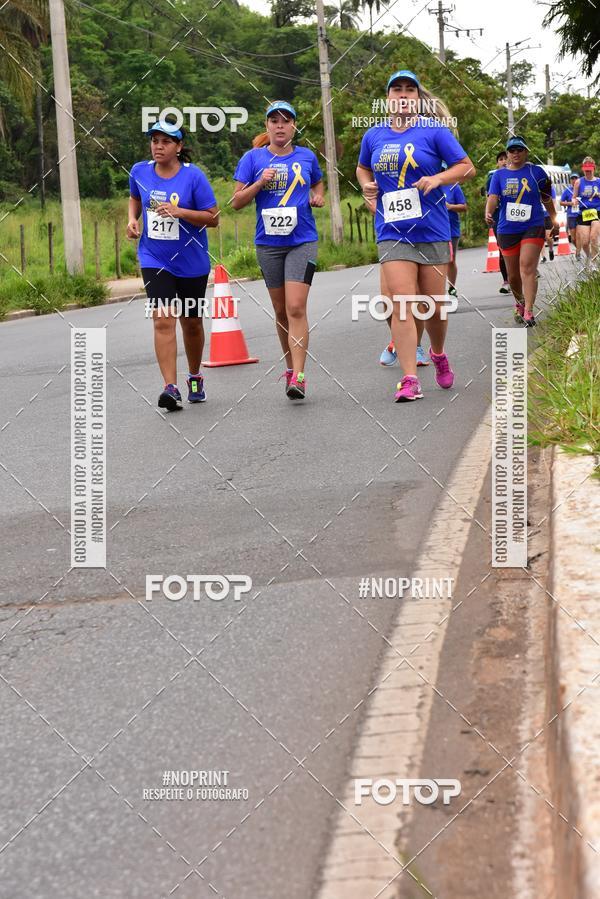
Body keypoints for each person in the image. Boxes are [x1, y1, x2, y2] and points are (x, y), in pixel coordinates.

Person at [357, 69, 475, 402]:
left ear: (418, 98)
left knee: (434, 307)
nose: (404, 95)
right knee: (403, 303)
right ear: (388, 98)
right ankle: (410, 377)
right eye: (397, 90)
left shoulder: (433, 131)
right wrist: (367, 184)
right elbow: (363, 167)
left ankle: (438, 353)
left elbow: (466, 167)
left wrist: (439, 179)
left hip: (433, 229)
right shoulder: (374, 135)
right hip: (392, 231)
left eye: (411, 89)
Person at [232, 101, 324, 400]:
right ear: (267, 126)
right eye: (274, 121)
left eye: (286, 121)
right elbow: (236, 202)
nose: (280, 126)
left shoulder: (306, 157)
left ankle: (299, 375)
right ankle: (289, 368)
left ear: (294, 126)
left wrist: (316, 197)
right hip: (268, 244)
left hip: (302, 240)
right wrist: (260, 182)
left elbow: (318, 183)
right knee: (281, 310)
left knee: (296, 306)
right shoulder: (253, 158)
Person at [127, 121, 219, 411]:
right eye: (154, 141)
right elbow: (134, 198)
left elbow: (213, 217)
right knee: (162, 319)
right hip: (155, 259)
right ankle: (170, 387)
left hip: (191, 262)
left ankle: (194, 376)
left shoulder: (194, 177)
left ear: (178, 147)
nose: (158, 146)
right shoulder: (139, 171)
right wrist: (133, 220)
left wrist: (180, 212)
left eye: (166, 142)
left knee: (191, 323)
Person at [485, 135, 558, 327]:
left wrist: (553, 218)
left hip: (533, 225)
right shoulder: (498, 175)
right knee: (513, 275)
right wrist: (488, 212)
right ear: (507, 154)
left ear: (526, 152)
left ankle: (529, 311)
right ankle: (519, 302)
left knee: (527, 267)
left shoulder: (537, 172)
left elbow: (547, 197)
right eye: (512, 150)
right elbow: (493, 197)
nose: (515, 153)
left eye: (519, 150)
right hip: (507, 228)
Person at [484, 151, 511, 294]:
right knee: (502, 248)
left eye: (506, 158)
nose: (504, 161)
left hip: (514, 215)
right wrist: (487, 213)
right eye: (500, 159)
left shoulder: (516, 174)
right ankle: (506, 281)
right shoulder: (492, 178)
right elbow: (490, 198)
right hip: (498, 216)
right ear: (497, 163)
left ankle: (520, 275)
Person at [572, 157, 600, 265]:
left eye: (590, 170)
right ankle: (590, 256)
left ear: (594, 168)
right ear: (583, 169)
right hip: (584, 212)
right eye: (586, 170)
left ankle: (594, 263)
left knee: (593, 238)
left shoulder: (599, 181)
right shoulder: (579, 182)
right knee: (584, 242)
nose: (588, 172)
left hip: (597, 211)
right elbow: (574, 197)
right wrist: (574, 201)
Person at [443, 174, 467, 296]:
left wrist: (450, 206)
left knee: (450, 260)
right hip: (433, 229)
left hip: (451, 230)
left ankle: (452, 289)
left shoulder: (453, 186)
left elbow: (464, 207)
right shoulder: (429, 185)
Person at [560, 173, 581, 258]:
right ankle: (578, 249)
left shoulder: (582, 189)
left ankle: (578, 253)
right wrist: (570, 203)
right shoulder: (567, 190)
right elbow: (561, 202)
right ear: (570, 180)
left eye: (575, 178)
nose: (574, 180)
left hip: (580, 215)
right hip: (571, 216)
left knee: (580, 235)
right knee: (573, 238)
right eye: (572, 179)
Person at [540, 183, 557, 262]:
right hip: (538, 216)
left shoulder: (550, 189)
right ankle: (543, 257)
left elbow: (554, 202)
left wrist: (553, 214)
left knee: (548, 237)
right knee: (540, 237)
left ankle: (550, 249)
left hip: (548, 215)